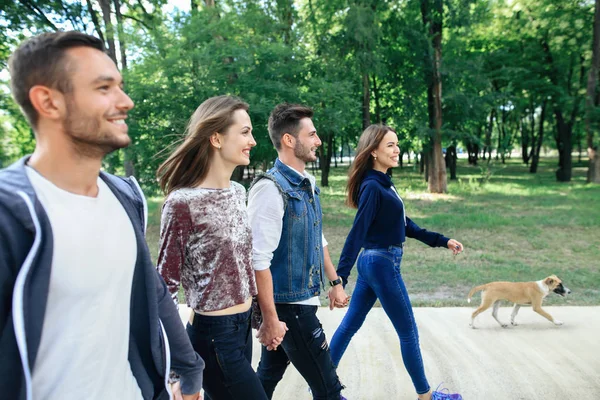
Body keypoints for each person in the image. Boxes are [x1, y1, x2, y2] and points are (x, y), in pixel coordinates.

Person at [0, 31, 204, 400]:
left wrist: (189, 369)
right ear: (48, 101)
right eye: (104, 87)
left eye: (120, 86)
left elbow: (150, 289)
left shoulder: (124, 196)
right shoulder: (10, 215)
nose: (125, 101)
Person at [329, 124, 464, 400]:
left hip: (372, 264)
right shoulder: (373, 187)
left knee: (349, 326)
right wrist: (339, 279)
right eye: (390, 145)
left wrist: (442, 240)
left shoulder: (383, 183)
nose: (397, 149)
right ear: (374, 151)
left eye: (397, 144)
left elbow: (405, 225)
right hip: (381, 263)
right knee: (408, 333)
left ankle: (321, 388)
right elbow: (357, 232)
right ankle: (426, 396)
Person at [157, 95, 278, 400]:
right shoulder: (182, 203)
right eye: (245, 132)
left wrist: (262, 318)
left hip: (240, 330)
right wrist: (176, 369)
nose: (252, 140)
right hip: (212, 336)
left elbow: (243, 263)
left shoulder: (238, 192)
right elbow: (164, 289)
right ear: (215, 138)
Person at [247, 103, 349, 400]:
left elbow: (317, 237)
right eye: (312, 135)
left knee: (264, 379)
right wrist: (270, 318)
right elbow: (257, 259)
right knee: (328, 389)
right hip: (288, 307)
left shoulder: (308, 184)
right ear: (290, 140)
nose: (318, 141)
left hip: (300, 300)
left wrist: (335, 282)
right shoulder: (269, 189)